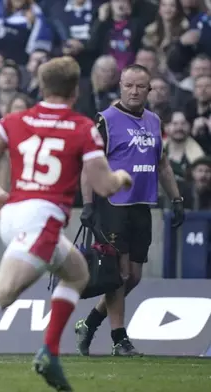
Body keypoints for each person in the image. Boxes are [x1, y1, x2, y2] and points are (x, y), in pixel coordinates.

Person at [0, 56, 133, 392]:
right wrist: (122, 177)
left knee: (77, 272)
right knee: (5, 291)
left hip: (13, 212)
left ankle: (49, 353)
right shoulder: (83, 127)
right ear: (74, 90)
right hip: (42, 219)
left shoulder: (16, 119)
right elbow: (103, 186)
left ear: (41, 87)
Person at [75, 64, 185, 357]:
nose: (134, 91)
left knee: (133, 276)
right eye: (129, 86)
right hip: (112, 205)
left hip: (141, 204)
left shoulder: (153, 120)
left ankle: (90, 323)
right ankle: (119, 338)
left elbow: (162, 164)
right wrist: (87, 204)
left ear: (149, 90)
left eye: (140, 86)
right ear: (120, 87)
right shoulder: (106, 120)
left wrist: (176, 199)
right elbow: (90, 163)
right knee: (119, 275)